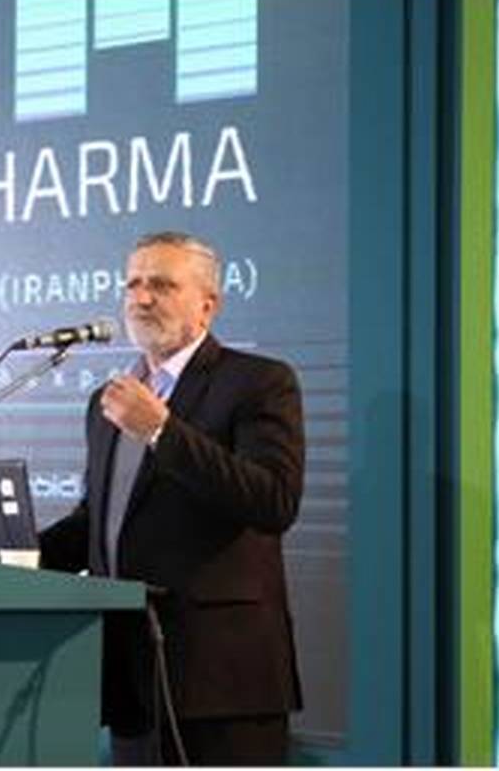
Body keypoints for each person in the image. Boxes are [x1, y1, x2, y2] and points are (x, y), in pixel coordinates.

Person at [39, 231, 305, 766]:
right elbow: (99, 522)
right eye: (133, 284)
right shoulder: (109, 402)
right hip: (133, 679)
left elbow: (273, 500)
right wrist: (8, 552)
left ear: (208, 304)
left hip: (223, 681)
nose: (141, 298)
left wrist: (162, 431)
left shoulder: (258, 382)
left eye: (161, 285)